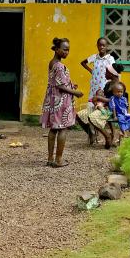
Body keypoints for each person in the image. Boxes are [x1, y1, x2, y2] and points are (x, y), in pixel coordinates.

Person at [41, 37, 83, 167]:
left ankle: (50, 158)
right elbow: (60, 86)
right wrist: (75, 92)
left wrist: (70, 84)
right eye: (64, 49)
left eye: (68, 50)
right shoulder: (59, 66)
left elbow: (57, 82)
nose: (66, 52)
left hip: (53, 99)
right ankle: (58, 160)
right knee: (63, 129)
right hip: (61, 100)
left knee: (53, 129)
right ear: (57, 49)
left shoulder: (52, 62)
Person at [107, 81, 130, 146]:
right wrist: (115, 116)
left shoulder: (124, 99)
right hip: (118, 113)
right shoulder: (113, 98)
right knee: (121, 119)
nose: (120, 93)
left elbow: (127, 106)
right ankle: (124, 133)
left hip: (125, 113)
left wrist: (127, 113)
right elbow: (113, 107)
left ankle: (122, 131)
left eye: (121, 92)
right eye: (118, 92)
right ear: (113, 92)